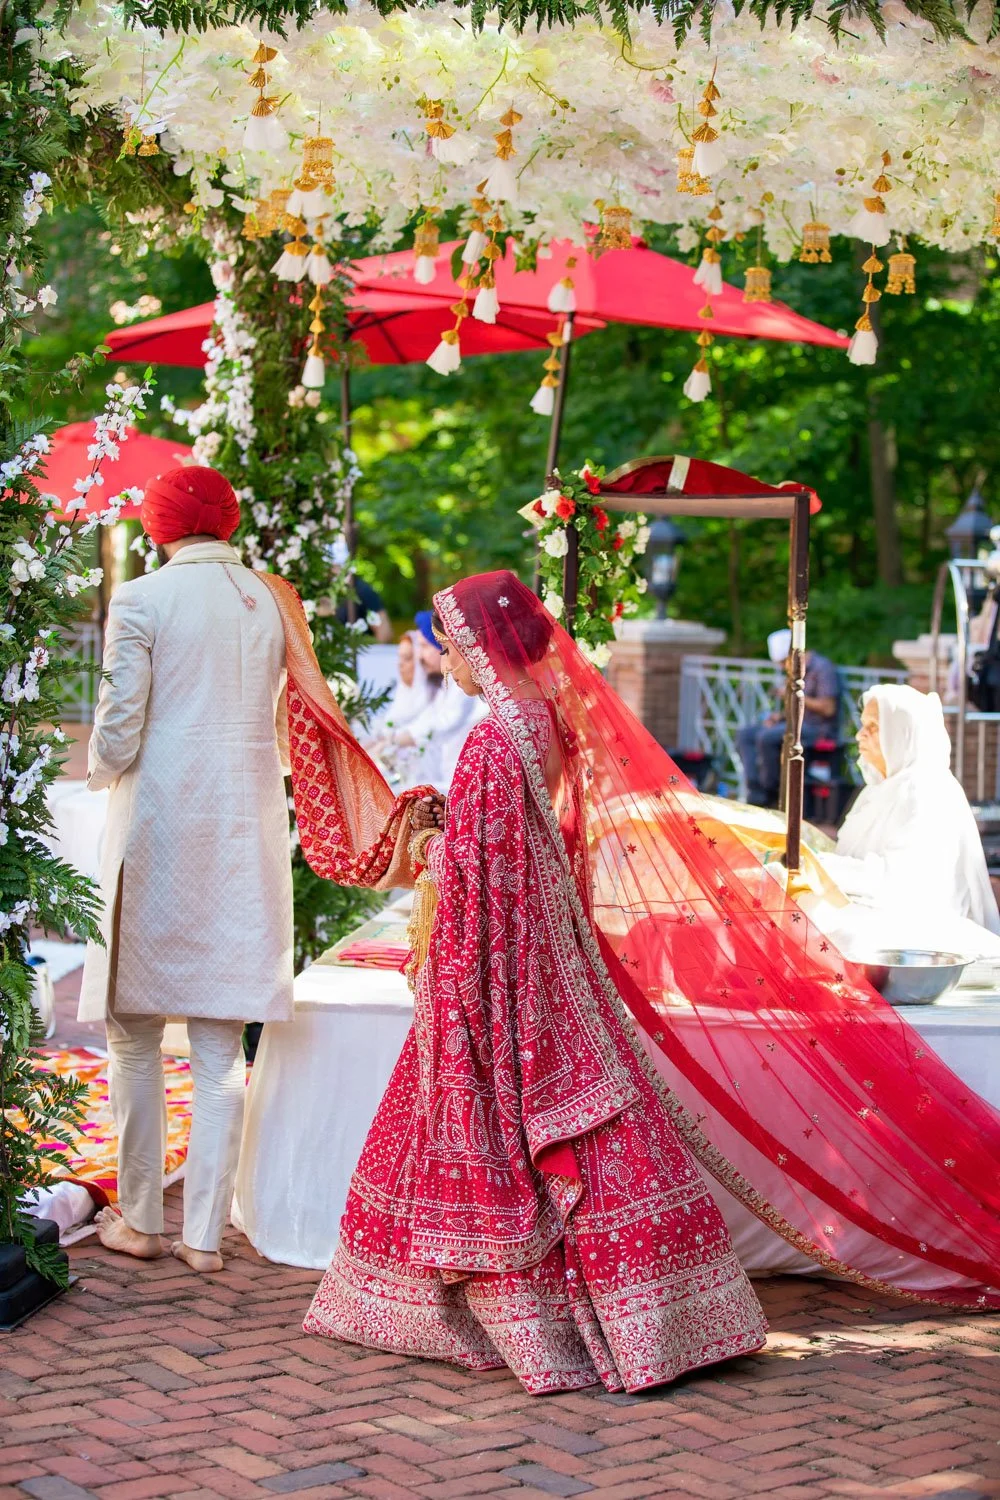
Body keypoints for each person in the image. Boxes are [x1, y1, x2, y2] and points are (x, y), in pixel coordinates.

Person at [281, 571, 1000, 1390]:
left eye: (453, 638)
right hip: (550, 953)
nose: (446, 653)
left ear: (485, 645)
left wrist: (434, 845)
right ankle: (663, 1312)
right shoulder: (544, 722)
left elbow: (481, 875)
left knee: (505, 1126)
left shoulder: (491, 738)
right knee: (591, 1114)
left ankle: (538, 1320)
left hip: (502, 963)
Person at [79, 465, 295, 1274]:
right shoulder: (274, 601)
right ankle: (204, 1236)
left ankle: (138, 1220)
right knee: (217, 1047)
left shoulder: (142, 598)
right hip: (243, 833)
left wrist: (99, 772)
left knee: (131, 1037)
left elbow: (118, 730)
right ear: (229, 523)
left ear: (159, 526)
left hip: (160, 830)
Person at [821, 683, 1000, 943]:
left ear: (902, 734)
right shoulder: (879, 789)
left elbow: (897, 884)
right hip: (873, 906)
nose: (860, 735)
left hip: (919, 925)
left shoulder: (926, 790)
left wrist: (821, 867)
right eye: (863, 725)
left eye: (873, 727)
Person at [737, 628, 840, 806]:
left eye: (784, 662)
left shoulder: (822, 668)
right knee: (745, 734)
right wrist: (779, 717)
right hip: (795, 723)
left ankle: (772, 794)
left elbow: (828, 708)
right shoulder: (795, 671)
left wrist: (794, 694)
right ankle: (755, 791)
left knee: (766, 738)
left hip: (817, 728)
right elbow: (797, 709)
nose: (783, 667)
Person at [391, 610, 487, 790]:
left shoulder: (463, 682)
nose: (420, 656)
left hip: (458, 777)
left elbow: (448, 721)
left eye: (426, 647)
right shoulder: (445, 683)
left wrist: (406, 737)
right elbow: (430, 716)